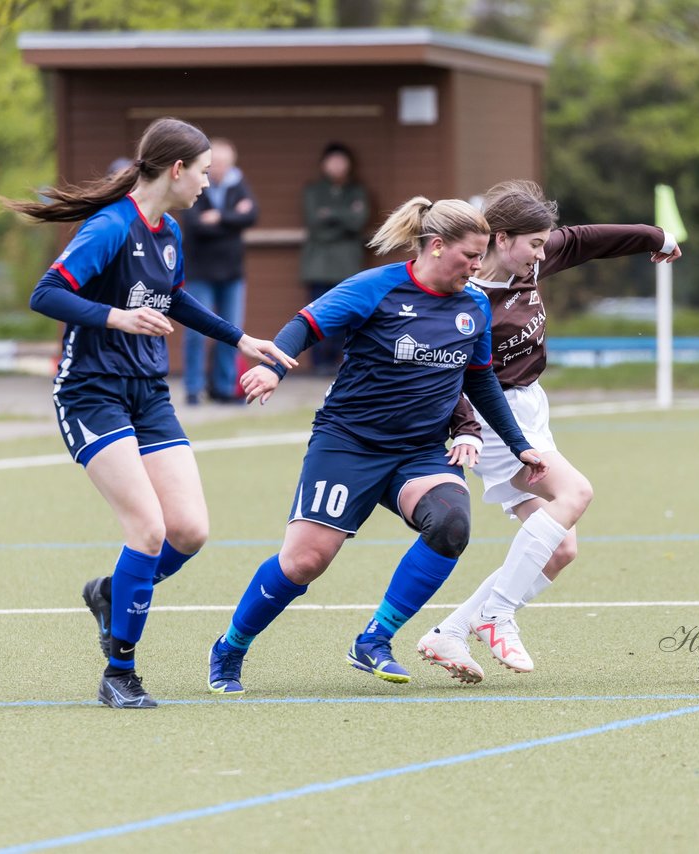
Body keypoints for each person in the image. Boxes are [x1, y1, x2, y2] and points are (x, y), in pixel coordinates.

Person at [2, 118, 296, 709]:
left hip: (147, 392)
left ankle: (113, 591)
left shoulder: (169, 232)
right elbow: (46, 293)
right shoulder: (110, 227)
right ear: (177, 170)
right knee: (147, 530)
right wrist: (117, 317)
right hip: (91, 392)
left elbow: (175, 297)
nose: (209, 187)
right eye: (206, 174)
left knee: (189, 532)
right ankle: (119, 672)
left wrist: (240, 339)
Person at [205, 196, 549, 694]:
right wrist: (272, 366)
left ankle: (374, 639)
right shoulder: (377, 287)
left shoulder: (472, 305)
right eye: (469, 256)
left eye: (481, 257)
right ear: (435, 247)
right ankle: (231, 646)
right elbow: (306, 323)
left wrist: (518, 445)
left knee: (451, 523)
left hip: (421, 452)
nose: (478, 267)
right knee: (304, 562)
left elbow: (479, 382)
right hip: (348, 445)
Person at [416, 179, 682, 684]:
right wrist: (466, 428)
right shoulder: (464, 300)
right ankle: (495, 615)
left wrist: (655, 236)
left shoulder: (529, 259)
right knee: (576, 491)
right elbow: (445, 376)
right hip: (494, 420)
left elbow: (584, 240)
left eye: (544, 244)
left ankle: (450, 632)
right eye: (535, 243)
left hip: (532, 410)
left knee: (560, 550)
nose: (543, 253)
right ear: (501, 238)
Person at [181, 138, 258, 404]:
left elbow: (251, 216)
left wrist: (219, 217)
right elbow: (195, 225)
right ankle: (193, 388)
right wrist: (231, 219)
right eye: (215, 164)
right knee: (195, 334)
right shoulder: (196, 186)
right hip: (199, 271)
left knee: (232, 332)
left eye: (225, 163)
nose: (219, 169)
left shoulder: (238, 184)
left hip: (232, 273)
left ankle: (224, 389)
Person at [299, 141, 369, 373]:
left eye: (342, 161)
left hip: (347, 263)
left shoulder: (357, 190)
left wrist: (330, 214)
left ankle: (340, 363)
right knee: (318, 313)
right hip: (318, 264)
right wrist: (345, 217)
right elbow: (315, 223)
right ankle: (320, 363)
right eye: (333, 161)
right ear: (323, 164)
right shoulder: (313, 190)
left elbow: (358, 222)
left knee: (345, 314)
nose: (337, 166)